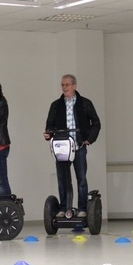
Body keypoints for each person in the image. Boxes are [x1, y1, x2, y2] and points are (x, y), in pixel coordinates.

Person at [43, 74, 101, 218]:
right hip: (62, 148)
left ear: (74, 86)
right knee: (63, 180)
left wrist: (89, 139)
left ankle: (82, 209)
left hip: (79, 146)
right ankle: (63, 208)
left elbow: (96, 123)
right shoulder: (56, 105)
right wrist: (49, 134)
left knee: (81, 179)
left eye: (67, 85)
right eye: (62, 85)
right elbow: (50, 125)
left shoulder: (85, 103)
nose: (64, 87)